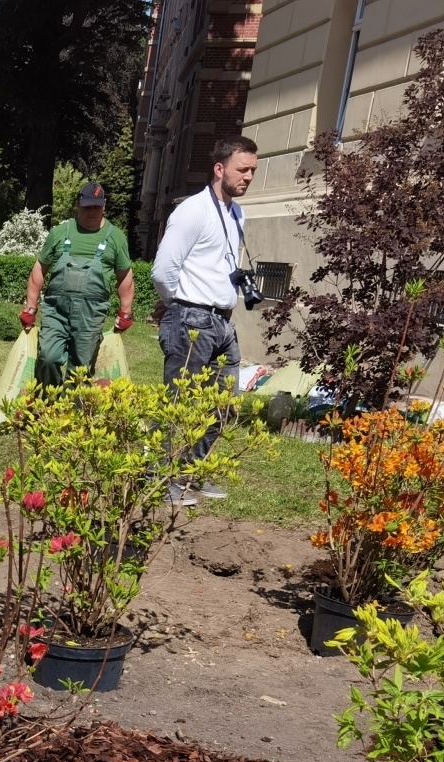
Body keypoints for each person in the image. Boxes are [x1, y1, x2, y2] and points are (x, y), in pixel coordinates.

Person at [150, 135, 260, 504]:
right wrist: (176, 305)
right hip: (191, 319)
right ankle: (160, 479)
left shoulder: (237, 213)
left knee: (223, 402)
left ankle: (192, 472)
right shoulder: (192, 211)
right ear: (219, 169)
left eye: (253, 170)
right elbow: (163, 270)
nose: (248, 177)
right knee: (178, 401)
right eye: (242, 169)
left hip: (223, 323)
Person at [20, 181, 135, 385]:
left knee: (80, 367)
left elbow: (125, 276)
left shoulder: (116, 237)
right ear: (78, 205)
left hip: (91, 313)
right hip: (57, 310)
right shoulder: (60, 233)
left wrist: (125, 311)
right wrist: (30, 306)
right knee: (48, 357)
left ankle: (73, 403)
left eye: (96, 207)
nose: (91, 211)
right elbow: (39, 269)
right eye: (87, 206)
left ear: (104, 206)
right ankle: (49, 398)